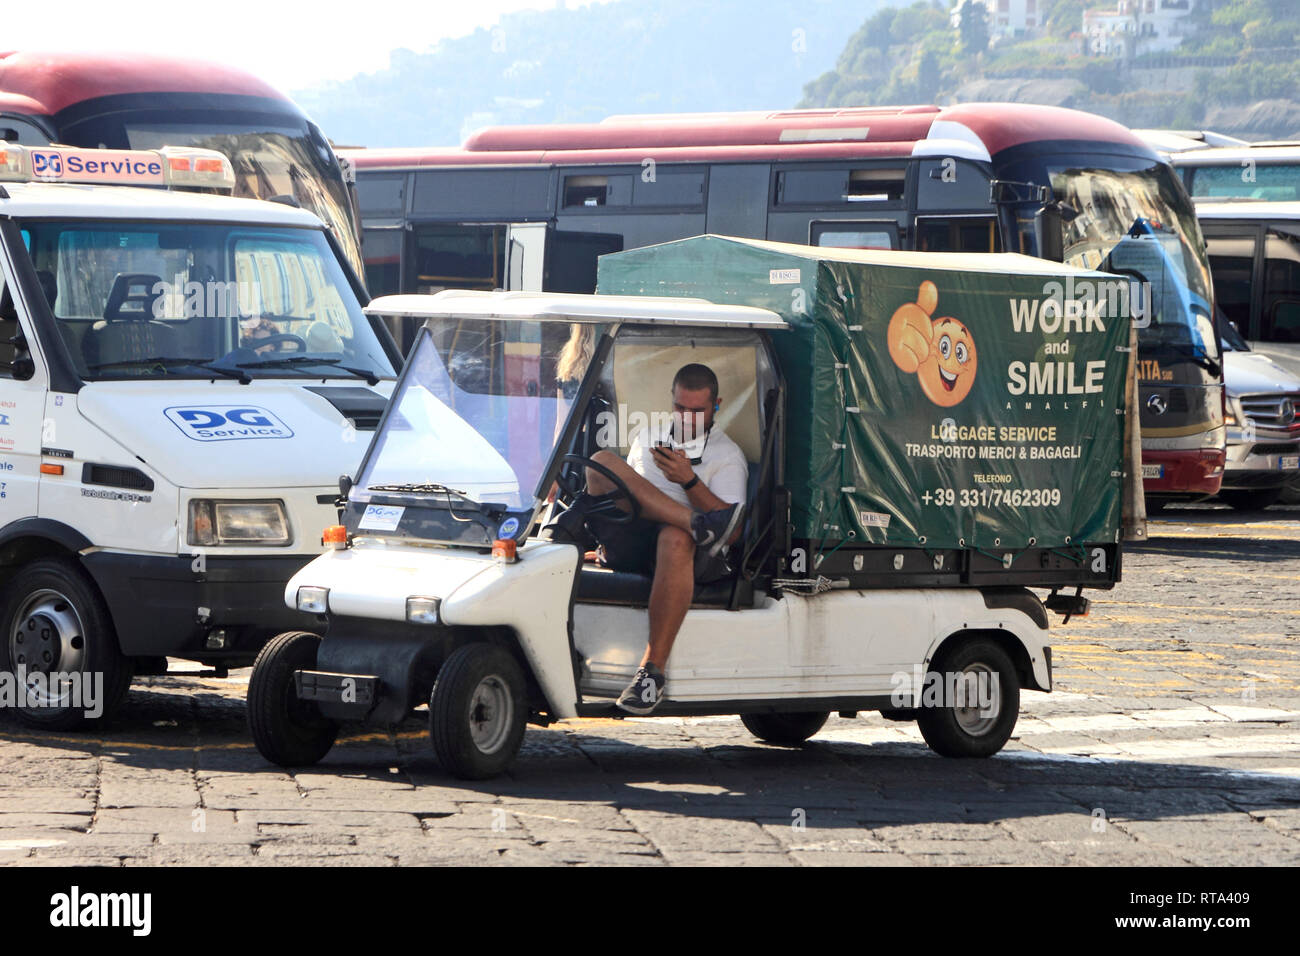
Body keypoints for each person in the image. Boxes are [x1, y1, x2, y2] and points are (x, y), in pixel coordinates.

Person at [584, 363, 747, 714]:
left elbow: (731, 530)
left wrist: (688, 481)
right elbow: (625, 491)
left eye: (697, 411)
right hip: (634, 534)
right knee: (600, 461)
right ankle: (693, 521)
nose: (687, 418)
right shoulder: (649, 436)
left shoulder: (727, 455)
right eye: (680, 408)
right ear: (671, 402)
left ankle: (651, 672)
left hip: (683, 553)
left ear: (716, 405)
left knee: (676, 536)